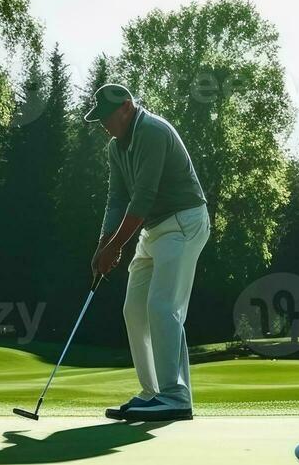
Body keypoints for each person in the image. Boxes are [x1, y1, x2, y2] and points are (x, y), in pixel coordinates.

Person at [86, 84, 210, 422]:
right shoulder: (116, 148)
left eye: (107, 117)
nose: (104, 124)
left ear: (127, 107)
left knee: (162, 305)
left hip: (184, 222)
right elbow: (116, 200)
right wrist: (102, 246)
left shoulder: (153, 132)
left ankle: (176, 396)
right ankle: (152, 393)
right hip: (154, 230)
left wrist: (115, 248)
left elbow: (142, 200)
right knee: (134, 309)